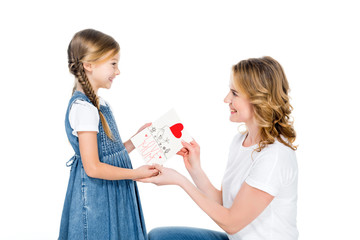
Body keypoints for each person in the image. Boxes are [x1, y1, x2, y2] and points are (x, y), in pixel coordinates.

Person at [138, 56, 298, 240]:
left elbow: (231, 223)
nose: (226, 99)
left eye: (234, 93)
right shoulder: (240, 141)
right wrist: (194, 169)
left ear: (258, 99)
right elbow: (225, 205)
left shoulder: (275, 156)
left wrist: (180, 181)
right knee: (160, 237)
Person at [58, 29, 159, 240]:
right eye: (113, 63)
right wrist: (136, 174)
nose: (118, 71)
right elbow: (93, 167)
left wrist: (137, 139)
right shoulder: (84, 109)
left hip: (111, 188)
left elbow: (109, 153)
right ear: (89, 65)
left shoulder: (99, 104)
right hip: (98, 196)